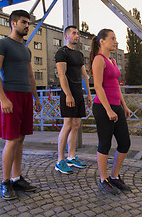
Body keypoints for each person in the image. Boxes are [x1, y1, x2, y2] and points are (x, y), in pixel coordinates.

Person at [0, 10, 42, 200]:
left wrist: (36, 98)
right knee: (11, 140)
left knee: (20, 139)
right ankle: (5, 182)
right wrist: (2, 98)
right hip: (10, 95)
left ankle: (16, 178)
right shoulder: (1, 44)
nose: (27, 26)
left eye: (28, 23)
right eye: (23, 22)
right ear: (13, 23)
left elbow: (30, 75)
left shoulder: (26, 49)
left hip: (26, 95)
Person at [89, 29, 131, 195]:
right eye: (112, 39)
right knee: (105, 143)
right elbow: (98, 87)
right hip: (103, 107)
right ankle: (103, 179)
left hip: (116, 107)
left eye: (116, 38)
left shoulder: (112, 60)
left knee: (125, 143)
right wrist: (108, 109)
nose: (115, 41)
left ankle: (114, 176)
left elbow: (116, 86)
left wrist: (124, 106)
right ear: (102, 41)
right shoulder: (99, 60)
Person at [54, 26, 92, 174]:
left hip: (78, 93)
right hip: (67, 93)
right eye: (74, 33)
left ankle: (72, 156)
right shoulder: (61, 52)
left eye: (78, 33)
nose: (77, 36)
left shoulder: (79, 54)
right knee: (68, 124)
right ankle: (60, 160)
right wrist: (68, 94)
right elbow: (62, 75)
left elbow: (84, 75)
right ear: (66, 36)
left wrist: (88, 93)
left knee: (76, 124)